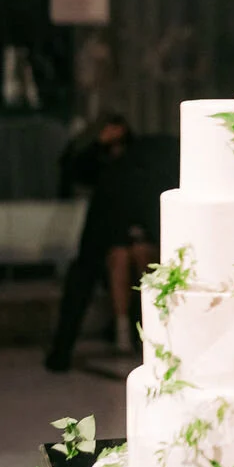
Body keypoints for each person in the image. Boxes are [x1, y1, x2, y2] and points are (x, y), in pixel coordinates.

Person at [46, 115, 178, 372]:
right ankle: (75, 347)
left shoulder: (140, 156)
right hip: (115, 222)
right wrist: (98, 144)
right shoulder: (104, 162)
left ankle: (141, 336)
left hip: (137, 219)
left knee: (141, 267)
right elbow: (73, 171)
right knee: (95, 269)